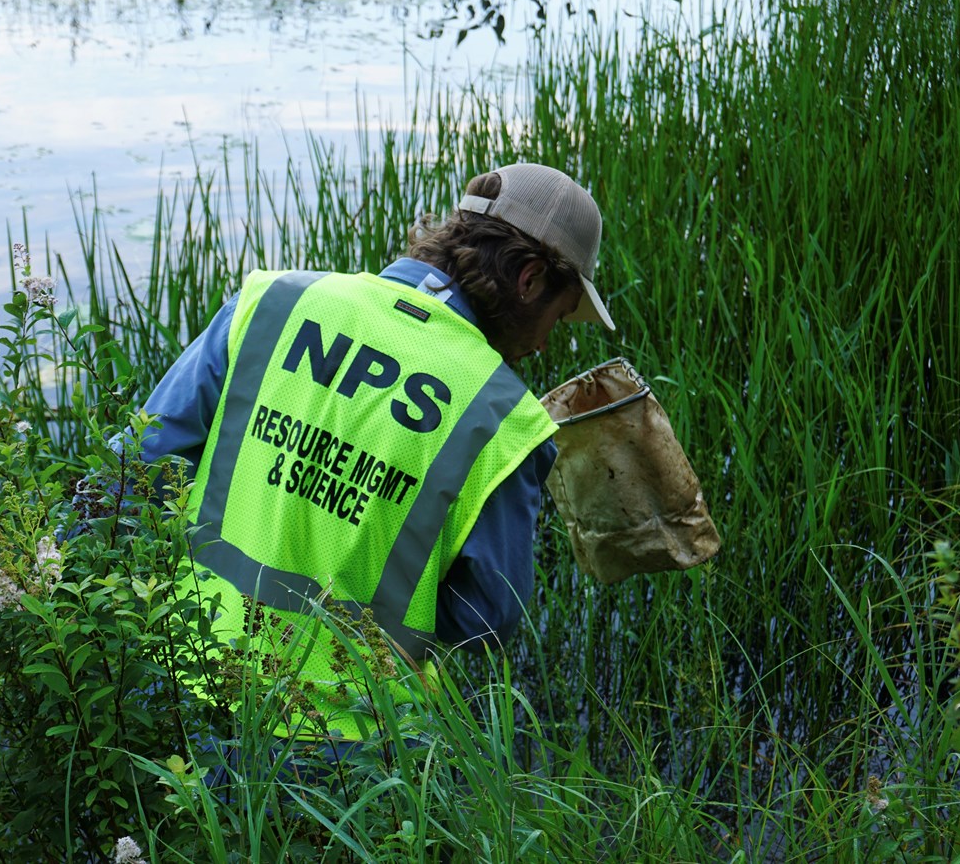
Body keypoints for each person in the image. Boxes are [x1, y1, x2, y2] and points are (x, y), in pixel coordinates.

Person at [122, 162, 615, 740]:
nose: (543, 342)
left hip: (183, 681)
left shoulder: (273, 301)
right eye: (557, 318)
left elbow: (139, 461)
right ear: (529, 280)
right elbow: (487, 618)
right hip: (351, 745)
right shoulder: (503, 416)